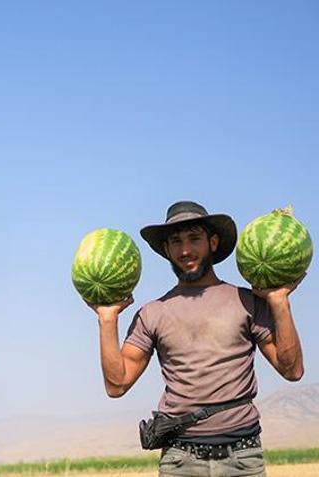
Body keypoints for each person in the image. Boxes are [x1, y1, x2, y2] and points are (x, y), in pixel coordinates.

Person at [85, 201, 304, 477]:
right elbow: (117, 385)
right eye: (175, 241)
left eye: (194, 238)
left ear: (213, 242)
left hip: (242, 457)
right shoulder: (152, 313)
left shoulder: (247, 301)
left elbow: (292, 369)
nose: (185, 250)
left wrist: (279, 301)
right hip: (181, 461)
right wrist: (107, 320)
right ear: (166, 250)